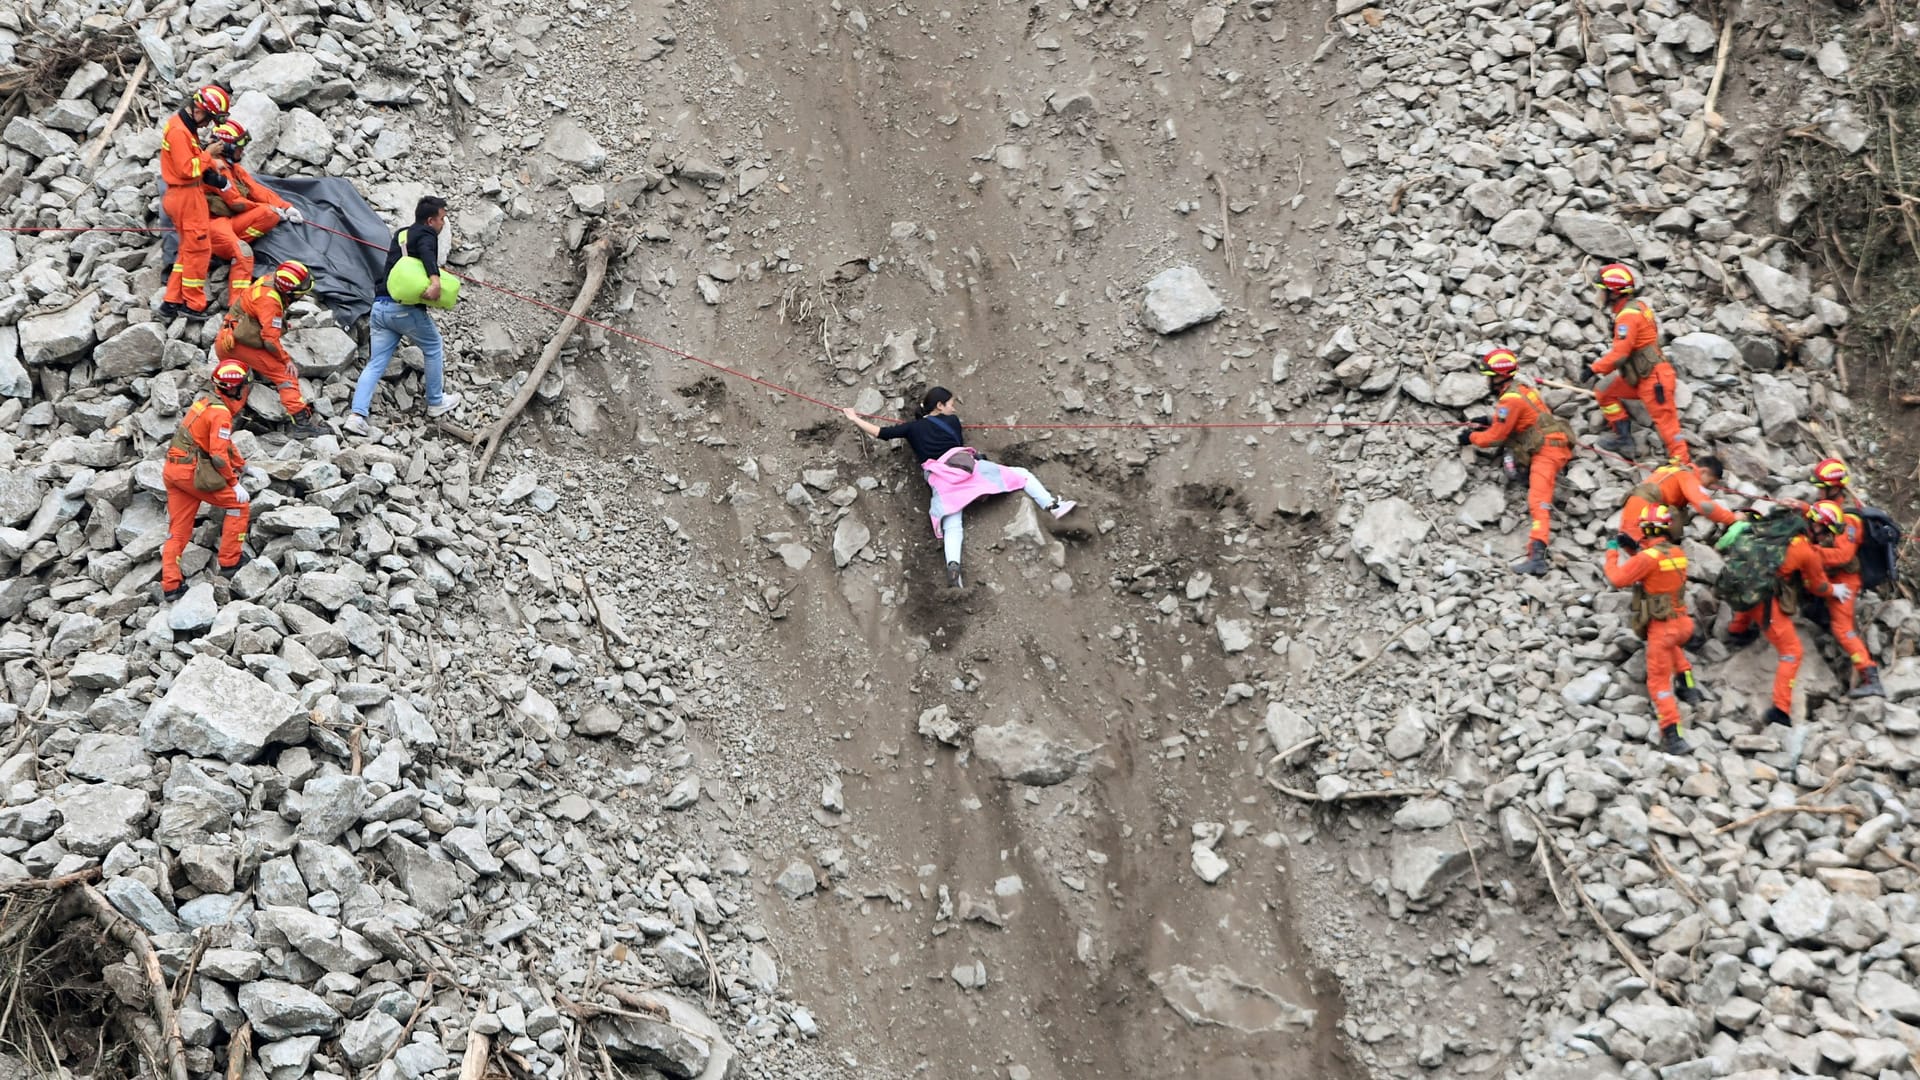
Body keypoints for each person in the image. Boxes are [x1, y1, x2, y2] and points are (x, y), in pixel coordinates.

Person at [842, 387, 1076, 588]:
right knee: (1022, 475)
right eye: (951, 404)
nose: (954, 409)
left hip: (941, 478)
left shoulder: (911, 429)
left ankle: (954, 570)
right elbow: (957, 445)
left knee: (953, 523)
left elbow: (881, 433)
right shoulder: (952, 422)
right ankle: (1053, 505)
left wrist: (854, 418)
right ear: (940, 406)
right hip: (966, 470)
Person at [344, 196, 463, 435]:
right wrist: (435, 280)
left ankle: (356, 416)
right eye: (442, 219)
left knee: (376, 363)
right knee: (433, 346)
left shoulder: (401, 234)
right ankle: (436, 402)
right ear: (431, 220)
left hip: (380, 307)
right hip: (404, 310)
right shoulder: (428, 235)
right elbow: (429, 255)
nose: (443, 224)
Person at [1726, 500, 1851, 726]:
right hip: (1760, 598)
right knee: (1792, 651)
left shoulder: (1781, 522)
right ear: (1818, 526)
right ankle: (1780, 710)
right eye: (1826, 533)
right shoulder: (1806, 550)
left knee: (1757, 587)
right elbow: (1817, 586)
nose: (1824, 539)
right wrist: (1835, 590)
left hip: (1739, 580)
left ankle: (1736, 630)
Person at [1459, 347, 1573, 576]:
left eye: (1490, 377)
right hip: (1550, 440)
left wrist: (1470, 437)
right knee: (1511, 455)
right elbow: (1525, 416)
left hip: (1548, 452)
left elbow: (1494, 438)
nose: (1487, 382)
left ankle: (1537, 556)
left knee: (1538, 501)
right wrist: (1489, 420)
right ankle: (1522, 474)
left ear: (1500, 376)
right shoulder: (1521, 389)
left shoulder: (1510, 400)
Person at [161, 362, 261, 599]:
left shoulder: (204, 402)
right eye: (244, 388)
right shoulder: (221, 414)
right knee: (238, 505)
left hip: (173, 471)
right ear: (234, 390)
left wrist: (242, 465)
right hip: (192, 474)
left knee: (178, 530)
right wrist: (234, 483)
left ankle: (171, 585)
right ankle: (230, 562)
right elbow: (217, 454)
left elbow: (220, 444)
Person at [1606, 505, 1699, 754]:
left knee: (1658, 683)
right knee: (1674, 650)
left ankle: (1674, 735)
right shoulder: (1677, 553)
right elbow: (1653, 563)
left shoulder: (1648, 558)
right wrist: (1633, 548)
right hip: (1682, 624)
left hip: (1663, 628)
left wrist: (1612, 552)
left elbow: (1617, 579)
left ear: (1646, 529)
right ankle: (1690, 689)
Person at [1585, 263, 1688, 463]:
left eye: (1602, 290)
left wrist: (1594, 368)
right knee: (1604, 391)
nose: (1599, 295)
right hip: (1642, 375)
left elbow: (1620, 354)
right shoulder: (1637, 307)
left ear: (1614, 294)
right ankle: (1624, 439)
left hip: (1653, 379)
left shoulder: (1628, 317)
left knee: (1667, 424)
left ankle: (1682, 463)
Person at [215, 260, 327, 437]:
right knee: (285, 374)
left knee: (242, 385)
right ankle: (301, 423)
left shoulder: (269, 280)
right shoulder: (270, 302)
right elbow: (269, 340)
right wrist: (286, 359)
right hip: (237, 346)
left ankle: (229, 416)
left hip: (229, 336)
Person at [1809, 459, 1885, 698]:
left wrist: (1811, 554)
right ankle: (1818, 613)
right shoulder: (1831, 508)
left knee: (1842, 628)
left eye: (1822, 487)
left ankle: (1869, 674)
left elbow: (1843, 555)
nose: (1818, 491)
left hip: (1846, 579)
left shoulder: (1849, 519)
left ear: (1835, 488)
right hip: (1832, 575)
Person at [158, 85, 232, 320]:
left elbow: (190, 160)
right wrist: (208, 154)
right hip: (186, 197)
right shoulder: (179, 132)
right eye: (209, 119)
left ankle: (171, 301)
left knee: (188, 250)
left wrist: (210, 165)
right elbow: (188, 169)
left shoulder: (182, 125)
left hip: (183, 195)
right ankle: (193, 304)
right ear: (199, 110)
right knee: (199, 250)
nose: (207, 124)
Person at [205, 121, 303, 295]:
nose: (242, 151)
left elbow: (256, 189)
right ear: (225, 147)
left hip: (227, 222)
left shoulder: (232, 168)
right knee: (243, 253)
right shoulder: (213, 169)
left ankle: (231, 245)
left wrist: (285, 207)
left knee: (270, 214)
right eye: (238, 147)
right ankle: (237, 306)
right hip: (211, 225)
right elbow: (235, 201)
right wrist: (263, 206)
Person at [1618, 454, 1740, 541]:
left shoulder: (1672, 469)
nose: (1708, 487)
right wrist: (1731, 518)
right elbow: (1703, 505)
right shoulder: (1687, 476)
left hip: (1632, 516)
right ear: (1703, 471)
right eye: (1710, 482)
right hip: (1643, 520)